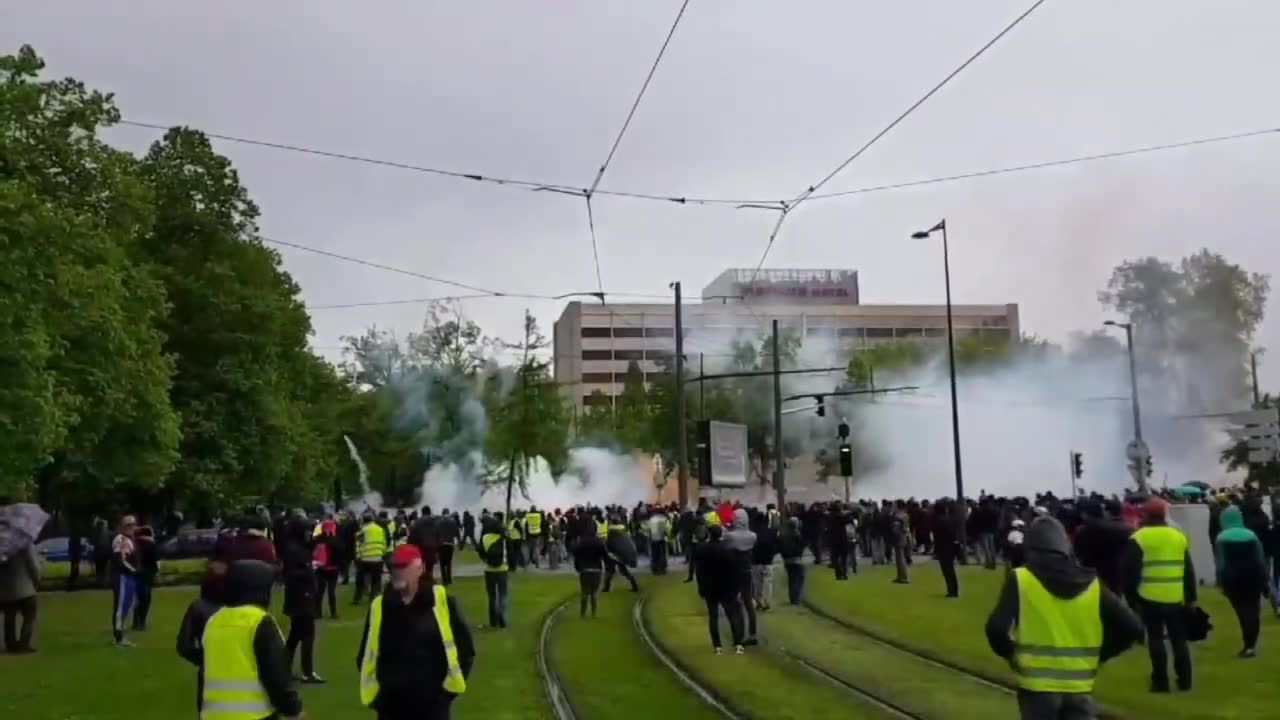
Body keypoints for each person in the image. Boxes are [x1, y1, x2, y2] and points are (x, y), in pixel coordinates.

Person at [985, 516, 1143, 720]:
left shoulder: (1021, 579)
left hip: (1037, 687)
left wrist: (1011, 654)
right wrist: (1101, 654)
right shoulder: (1092, 584)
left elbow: (996, 628)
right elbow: (1132, 627)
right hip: (1079, 687)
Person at [357, 544, 474, 720]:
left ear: (420, 569)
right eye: (394, 567)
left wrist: (446, 695)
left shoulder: (441, 601)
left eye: (403, 566)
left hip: (433, 707)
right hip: (391, 708)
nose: (397, 571)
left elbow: (465, 650)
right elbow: (366, 656)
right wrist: (380, 699)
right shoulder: (380, 606)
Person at [198, 559, 303, 720]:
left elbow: (205, 671)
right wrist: (293, 709)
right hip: (254, 714)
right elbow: (275, 674)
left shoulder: (214, 620)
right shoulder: (259, 621)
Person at [1122, 497, 1197, 693]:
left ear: (1144, 515)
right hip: (1175, 596)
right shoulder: (1178, 536)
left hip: (1149, 596)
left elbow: (1130, 572)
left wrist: (1131, 599)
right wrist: (1191, 597)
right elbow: (1188, 570)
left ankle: (1161, 682)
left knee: (1155, 639)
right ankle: (1185, 681)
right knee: (1179, 640)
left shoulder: (1138, 538)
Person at [1214, 504, 1269, 658]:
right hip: (1254, 577)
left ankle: (1248, 644)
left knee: (1242, 612)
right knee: (1254, 611)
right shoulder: (1251, 535)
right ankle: (1251, 645)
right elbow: (1260, 559)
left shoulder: (1221, 537)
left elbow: (1221, 563)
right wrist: (1264, 579)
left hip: (1233, 579)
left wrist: (1220, 582)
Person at [281, 518, 324, 684]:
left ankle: (285, 668)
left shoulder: (297, 547)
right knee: (307, 634)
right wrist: (309, 571)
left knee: (295, 635)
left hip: (299, 596)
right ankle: (307, 672)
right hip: (301, 596)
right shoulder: (294, 550)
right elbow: (290, 573)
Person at [694, 526, 745, 655]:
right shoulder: (727, 550)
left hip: (710, 588)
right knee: (731, 615)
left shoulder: (701, 549)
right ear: (721, 534)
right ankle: (738, 643)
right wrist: (736, 588)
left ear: (709, 534)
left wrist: (700, 587)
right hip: (726, 588)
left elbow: (699, 572)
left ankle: (717, 646)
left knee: (713, 616)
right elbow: (734, 571)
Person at [723, 508, 757, 645]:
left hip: (734, 572)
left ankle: (740, 635)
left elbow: (725, 549)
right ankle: (753, 633)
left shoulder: (730, 536)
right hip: (747, 571)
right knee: (749, 603)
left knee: (736, 605)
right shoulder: (753, 536)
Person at [0, 542, 40, 653]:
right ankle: (24, 643)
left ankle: (11, 643)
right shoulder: (24, 542)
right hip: (26, 587)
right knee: (29, 616)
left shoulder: (3, 544)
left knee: (9, 616)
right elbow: (34, 566)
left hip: (6, 589)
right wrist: (36, 582)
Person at [111, 515, 140, 647]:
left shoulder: (130, 540)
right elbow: (120, 560)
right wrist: (134, 570)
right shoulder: (121, 539)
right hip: (123, 576)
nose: (131, 527)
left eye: (133, 524)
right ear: (122, 527)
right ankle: (118, 638)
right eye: (128, 525)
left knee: (127, 605)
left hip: (130, 577)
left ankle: (121, 635)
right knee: (120, 607)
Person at [478, 517, 509, 629]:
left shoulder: (485, 538)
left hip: (489, 570)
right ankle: (501, 613)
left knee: (491, 597)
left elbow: (480, 551)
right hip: (503, 569)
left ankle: (493, 621)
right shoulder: (504, 538)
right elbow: (510, 552)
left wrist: (485, 560)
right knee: (503, 594)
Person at [572, 520, 607, 618]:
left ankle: (582, 613)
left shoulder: (581, 542)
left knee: (584, 592)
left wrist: (578, 566)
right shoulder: (599, 542)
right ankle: (594, 614)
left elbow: (575, 553)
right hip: (596, 569)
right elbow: (605, 555)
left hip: (584, 569)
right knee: (594, 593)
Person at [354, 513, 389, 605]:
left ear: (363, 521)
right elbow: (384, 543)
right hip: (377, 558)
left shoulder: (362, 530)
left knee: (360, 580)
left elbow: (358, 545)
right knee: (376, 580)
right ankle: (373, 598)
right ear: (372, 520)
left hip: (365, 559)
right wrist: (382, 554)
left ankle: (357, 599)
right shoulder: (380, 529)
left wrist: (358, 557)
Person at [133, 524, 159, 631]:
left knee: (139, 599)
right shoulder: (150, 544)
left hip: (138, 574)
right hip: (148, 574)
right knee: (146, 599)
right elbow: (155, 560)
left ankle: (136, 622)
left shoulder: (136, 544)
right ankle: (141, 622)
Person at [603, 516, 640, 593]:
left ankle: (606, 587)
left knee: (610, 570)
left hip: (616, 553)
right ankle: (634, 584)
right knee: (623, 570)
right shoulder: (624, 531)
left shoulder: (611, 533)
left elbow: (608, 545)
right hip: (625, 553)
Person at [314, 520, 342, 619]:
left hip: (321, 568)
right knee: (331, 591)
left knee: (319, 591)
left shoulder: (318, 539)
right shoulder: (336, 540)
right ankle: (333, 612)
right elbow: (340, 555)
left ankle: (318, 612)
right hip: (334, 568)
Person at [934, 499, 961, 598]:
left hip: (943, 547)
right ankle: (953, 590)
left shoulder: (939, 521)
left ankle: (952, 590)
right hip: (950, 546)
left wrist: (936, 550)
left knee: (947, 570)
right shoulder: (950, 519)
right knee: (950, 569)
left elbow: (938, 537)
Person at [752, 511, 779, 611]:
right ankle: (767, 602)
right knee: (768, 583)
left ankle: (759, 601)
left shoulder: (753, 532)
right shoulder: (772, 531)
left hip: (756, 561)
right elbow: (777, 544)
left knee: (757, 583)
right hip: (768, 560)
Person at [779, 517, 807, 605]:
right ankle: (796, 598)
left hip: (787, 560)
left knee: (792, 579)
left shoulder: (783, 535)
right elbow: (801, 546)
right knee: (799, 578)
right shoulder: (797, 534)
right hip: (796, 559)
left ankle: (793, 598)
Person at [436, 510, 459, 585]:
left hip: (441, 544)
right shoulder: (453, 522)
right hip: (450, 544)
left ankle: (444, 580)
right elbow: (456, 533)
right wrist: (459, 541)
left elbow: (436, 533)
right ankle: (449, 579)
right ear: (448, 513)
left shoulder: (438, 522)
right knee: (449, 563)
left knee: (442, 564)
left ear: (442, 513)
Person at [648, 508, 670, 576]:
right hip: (661, 538)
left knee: (654, 554)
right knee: (662, 554)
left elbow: (648, 529)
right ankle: (662, 569)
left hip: (653, 539)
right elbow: (667, 529)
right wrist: (668, 536)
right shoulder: (664, 519)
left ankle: (654, 569)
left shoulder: (651, 519)